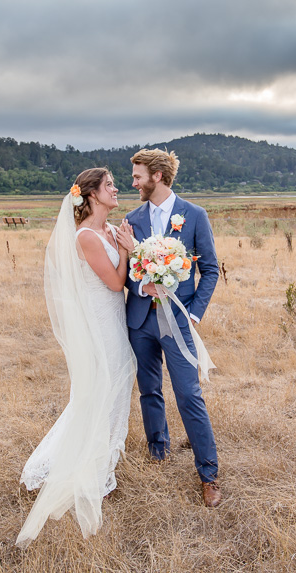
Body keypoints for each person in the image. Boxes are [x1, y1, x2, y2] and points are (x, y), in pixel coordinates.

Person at [16, 168, 137, 547]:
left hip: (114, 319)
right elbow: (116, 283)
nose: (116, 189)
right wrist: (125, 252)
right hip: (102, 325)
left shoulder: (109, 228)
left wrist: (129, 249)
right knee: (102, 389)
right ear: (90, 195)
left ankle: (101, 466)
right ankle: (88, 470)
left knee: (114, 386)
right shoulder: (86, 236)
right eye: (110, 185)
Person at [124, 148, 223, 507]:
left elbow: (209, 269)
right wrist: (140, 286)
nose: (133, 183)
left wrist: (193, 313)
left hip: (178, 321)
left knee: (188, 394)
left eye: (138, 176)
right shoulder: (132, 219)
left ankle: (208, 474)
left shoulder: (194, 216)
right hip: (140, 321)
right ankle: (158, 449)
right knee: (149, 390)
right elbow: (126, 273)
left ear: (158, 176)